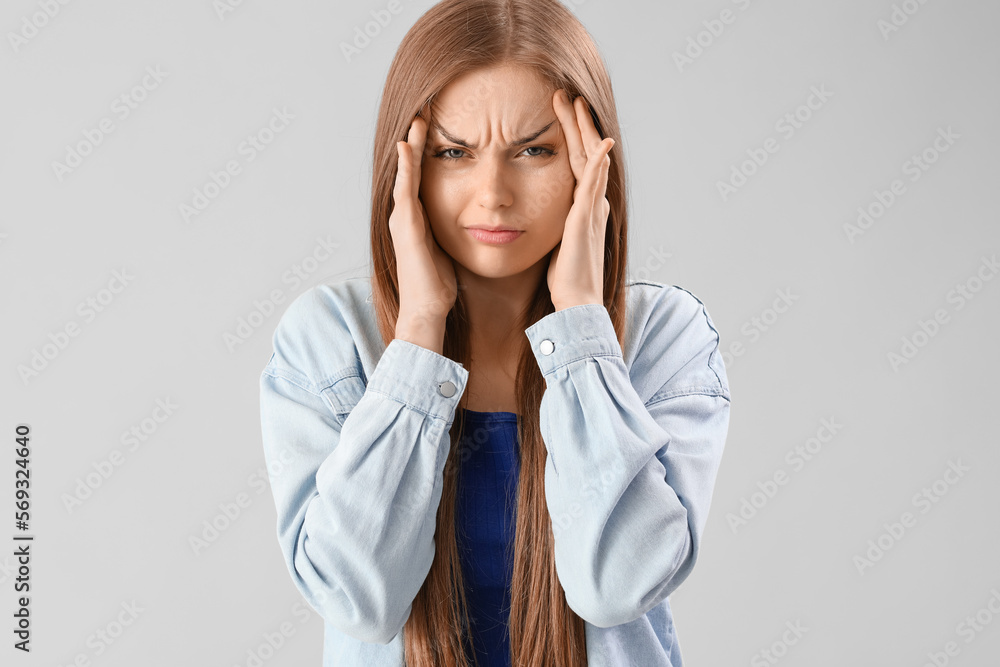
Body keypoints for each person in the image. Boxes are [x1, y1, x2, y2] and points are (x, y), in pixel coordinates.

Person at [258, 1, 731, 665]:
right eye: (455, 152)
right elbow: (360, 598)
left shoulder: (663, 337)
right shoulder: (326, 338)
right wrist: (419, 334)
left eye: (535, 150)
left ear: (592, 165)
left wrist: (580, 327)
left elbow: (615, 585)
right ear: (407, 167)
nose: (493, 193)